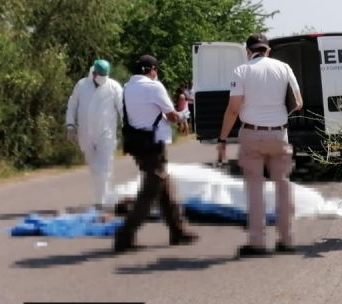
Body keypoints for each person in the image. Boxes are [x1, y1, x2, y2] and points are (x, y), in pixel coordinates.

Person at [216, 33, 303, 257]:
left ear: (248, 51)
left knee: (255, 188)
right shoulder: (284, 68)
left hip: (252, 134)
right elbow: (299, 102)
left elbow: (233, 109)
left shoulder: (242, 71)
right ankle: (287, 239)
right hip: (279, 134)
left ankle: (258, 242)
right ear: (268, 50)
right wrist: (279, 114)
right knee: (283, 186)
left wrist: (222, 139)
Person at [113, 54, 197, 253]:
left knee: (165, 187)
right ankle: (124, 235)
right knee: (149, 194)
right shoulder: (153, 87)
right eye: (156, 70)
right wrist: (184, 114)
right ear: (151, 69)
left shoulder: (127, 88)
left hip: (137, 144)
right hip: (153, 144)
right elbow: (171, 115)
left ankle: (178, 230)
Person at [65, 59, 123, 209]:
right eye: (100, 75)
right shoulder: (82, 85)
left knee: (104, 168)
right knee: (95, 168)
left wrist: (128, 127)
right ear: (94, 73)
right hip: (85, 133)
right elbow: (72, 105)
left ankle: (100, 203)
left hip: (106, 134)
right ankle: (107, 196)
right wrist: (70, 125)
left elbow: (122, 108)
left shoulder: (114, 86)